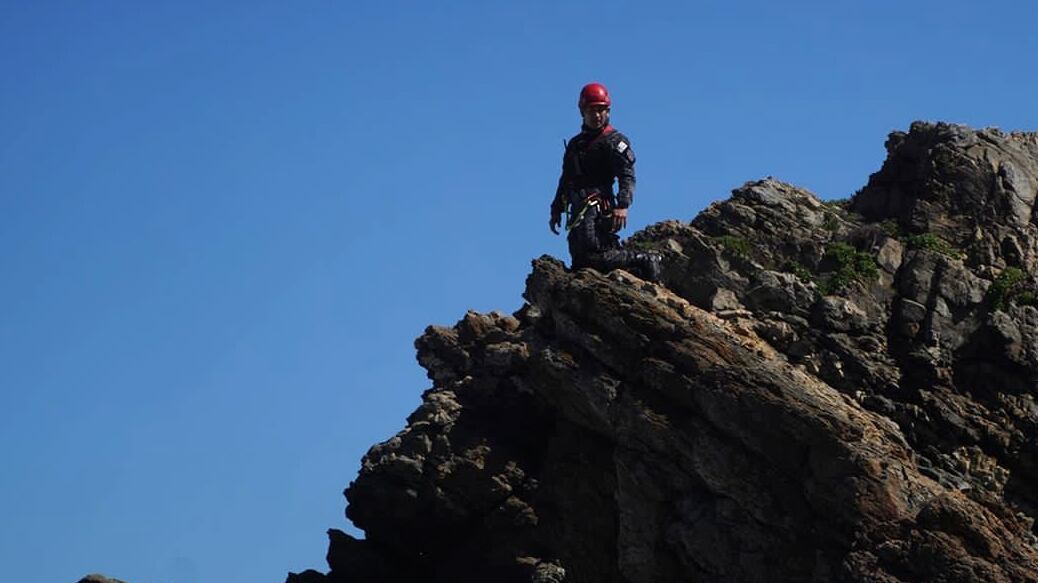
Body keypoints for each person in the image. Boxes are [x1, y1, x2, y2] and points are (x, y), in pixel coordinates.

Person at [549, 82, 661, 282]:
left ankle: (644, 259)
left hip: (599, 207)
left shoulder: (614, 141)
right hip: (577, 208)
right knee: (580, 259)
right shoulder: (575, 145)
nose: (597, 115)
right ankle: (629, 274)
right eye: (592, 110)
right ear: (582, 111)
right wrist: (556, 208)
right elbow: (566, 178)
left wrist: (623, 205)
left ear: (608, 111)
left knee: (593, 254)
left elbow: (627, 175)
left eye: (601, 110)